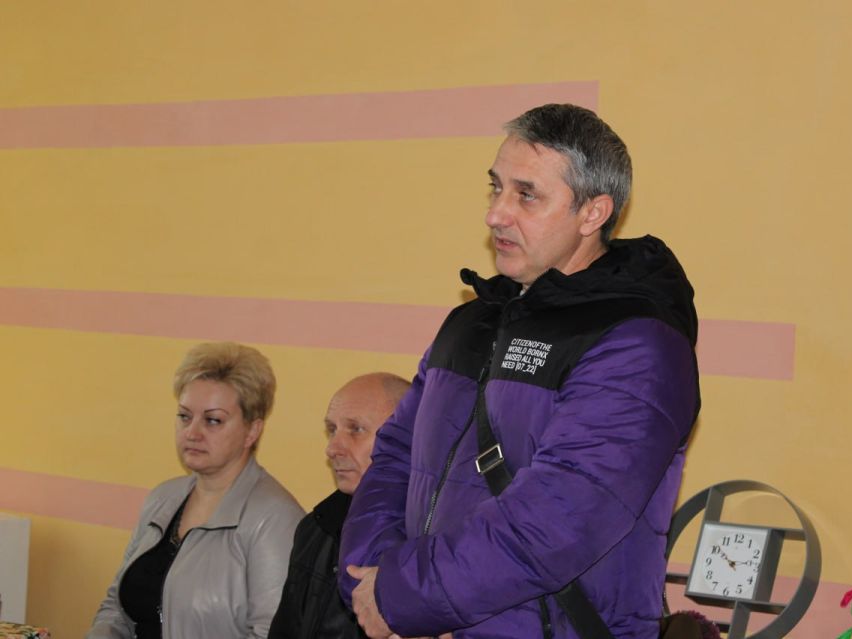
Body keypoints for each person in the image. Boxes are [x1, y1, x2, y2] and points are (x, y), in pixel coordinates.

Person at [339, 104, 701, 639]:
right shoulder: (469, 323)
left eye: (526, 195)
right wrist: (374, 587)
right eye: (496, 188)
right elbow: (394, 458)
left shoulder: (637, 342)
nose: (496, 214)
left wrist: (404, 597)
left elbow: (559, 518)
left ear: (593, 213)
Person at [87, 342, 304, 639]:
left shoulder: (275, 519)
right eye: (184, 416)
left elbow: (271, 633)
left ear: (252, 431)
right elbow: (115, 609)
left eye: (213, 420)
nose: (192, 432)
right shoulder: (162, 499)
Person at [268, 373, 411, 639]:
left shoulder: (430, 543)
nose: (332, 448)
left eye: (356, 429)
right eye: (332, 430)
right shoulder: (315, 529)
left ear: (407, 437)